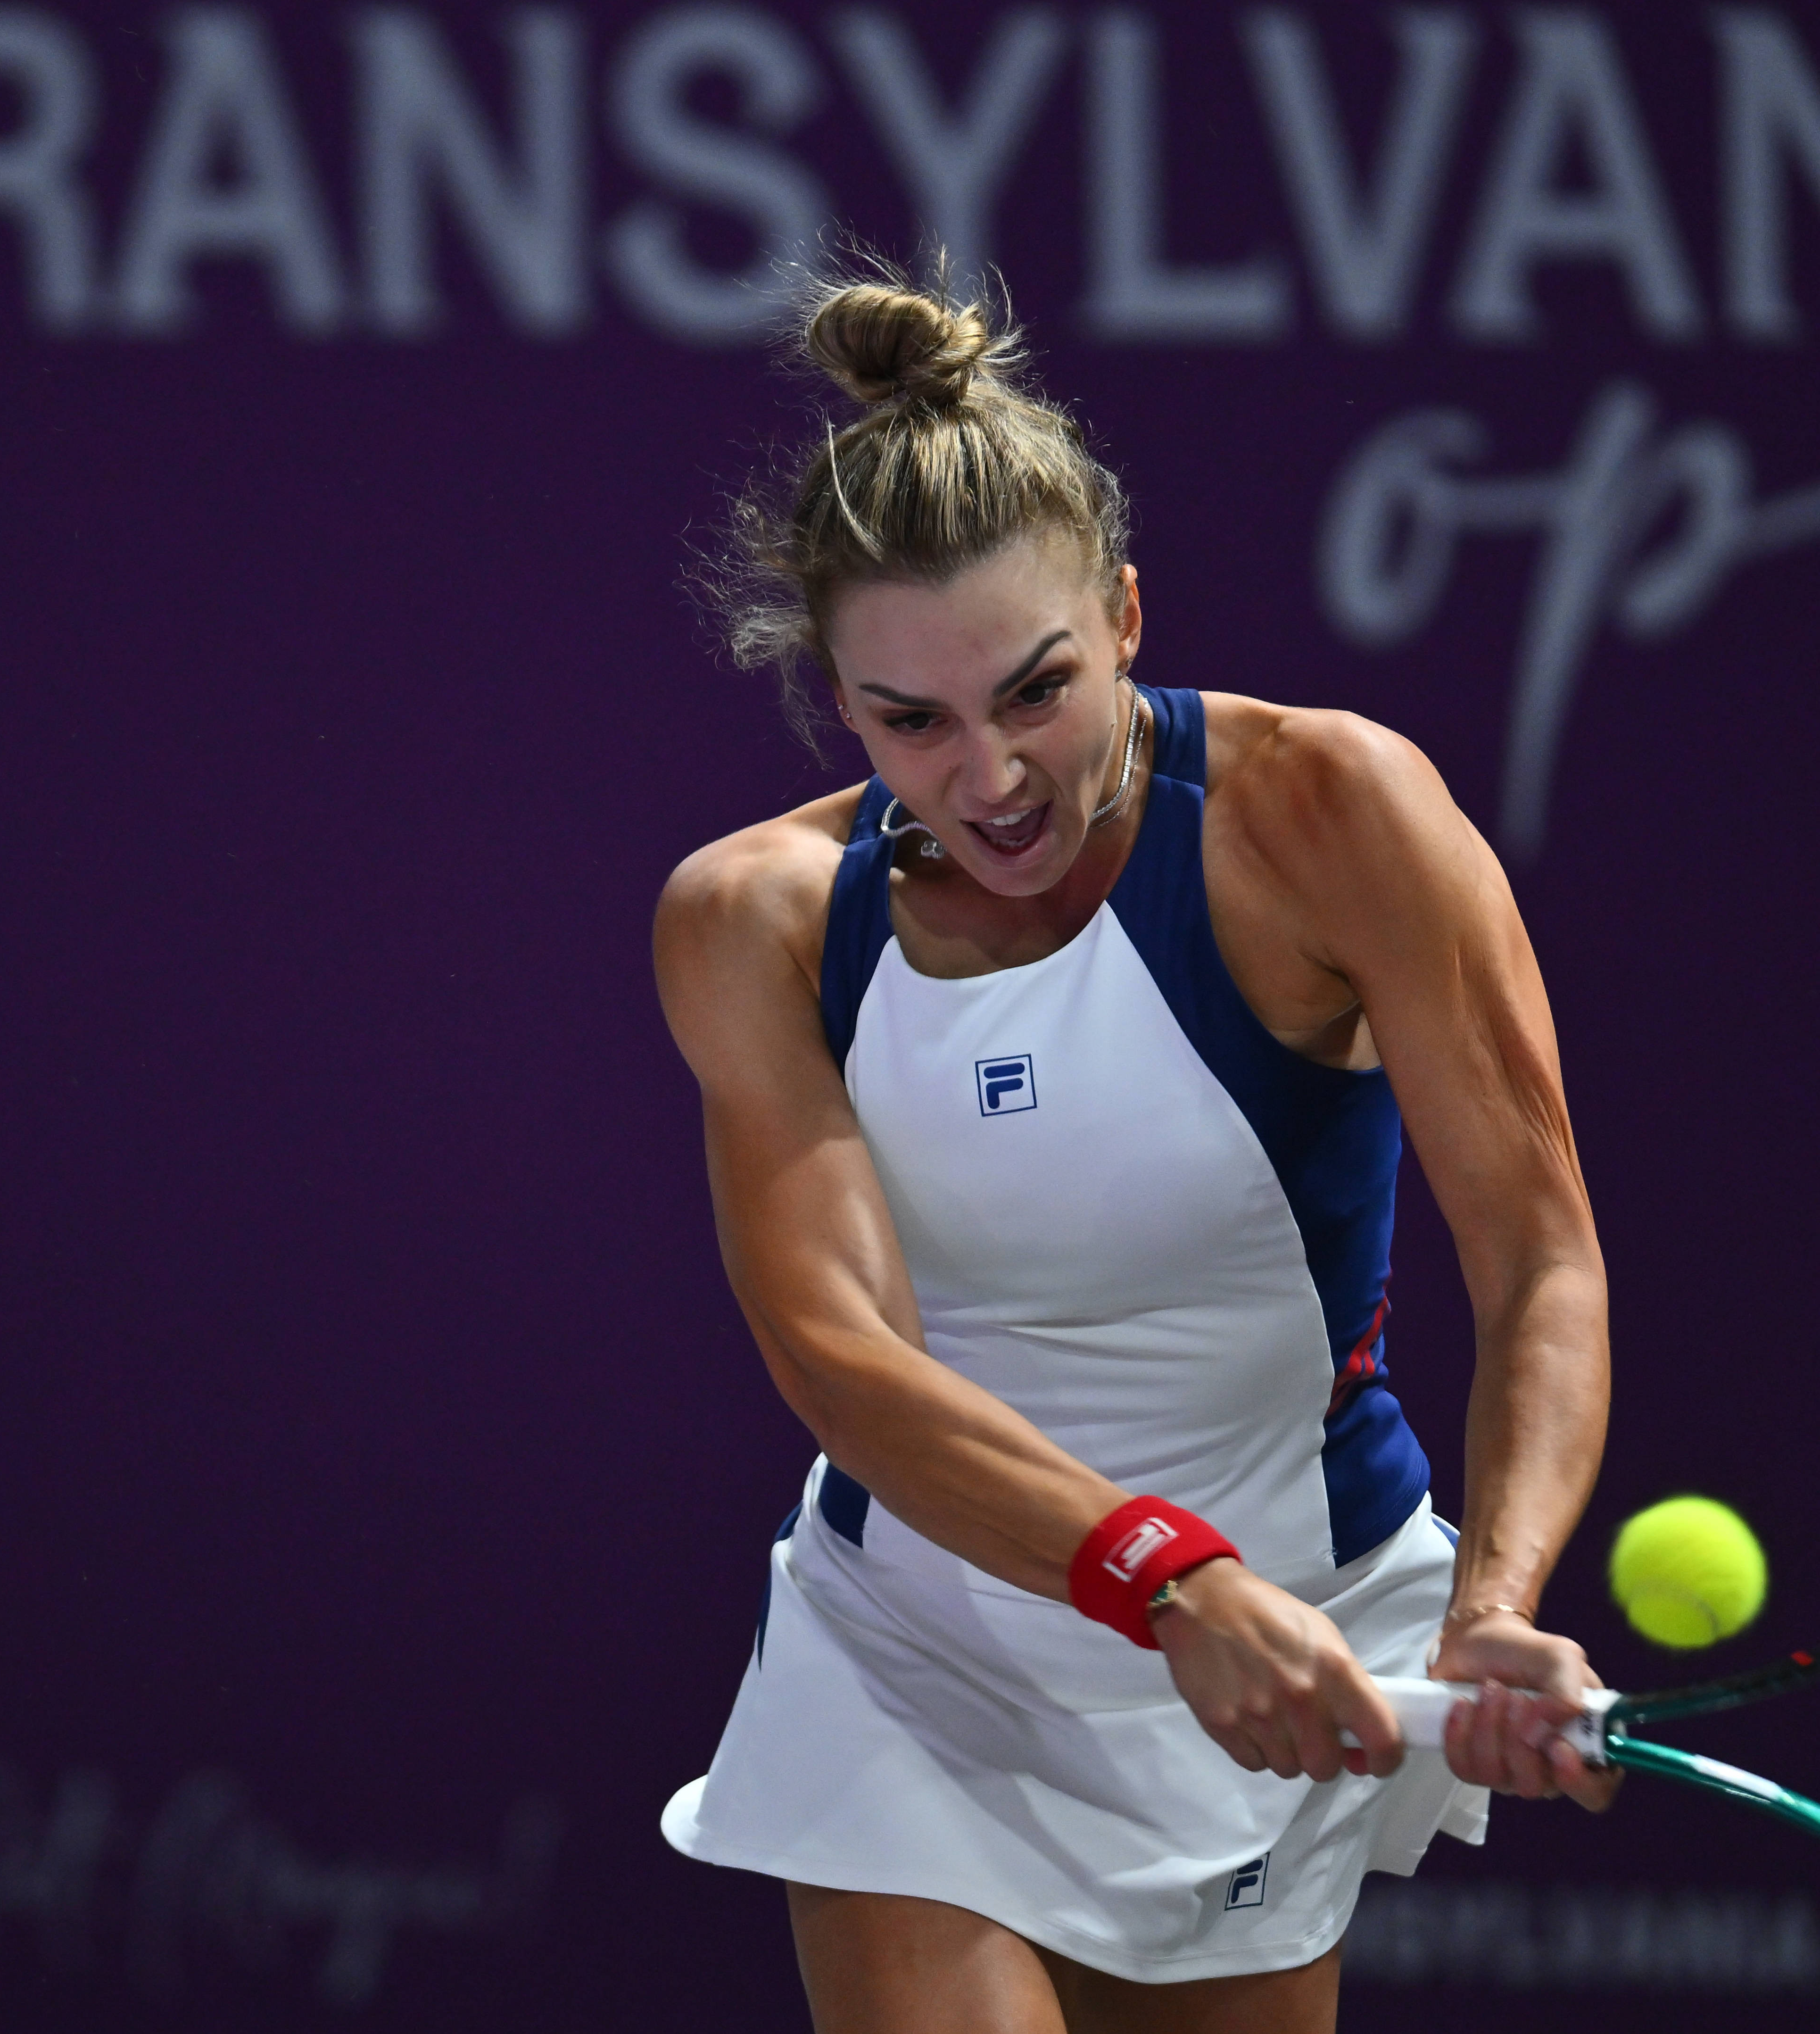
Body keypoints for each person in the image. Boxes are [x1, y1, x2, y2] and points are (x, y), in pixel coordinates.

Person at [654, 266, 1614, 2034]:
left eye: (1038, 691)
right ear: (840, 703)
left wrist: (1496, 1601)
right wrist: (1164, 1576)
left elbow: (1539, 1257)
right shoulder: (757, 921)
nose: (992, 777)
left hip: (1290, 1633)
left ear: (1125, 614)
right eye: (912, 722)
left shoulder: (1330, 814)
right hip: (930, 1652)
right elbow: (844, 1361)